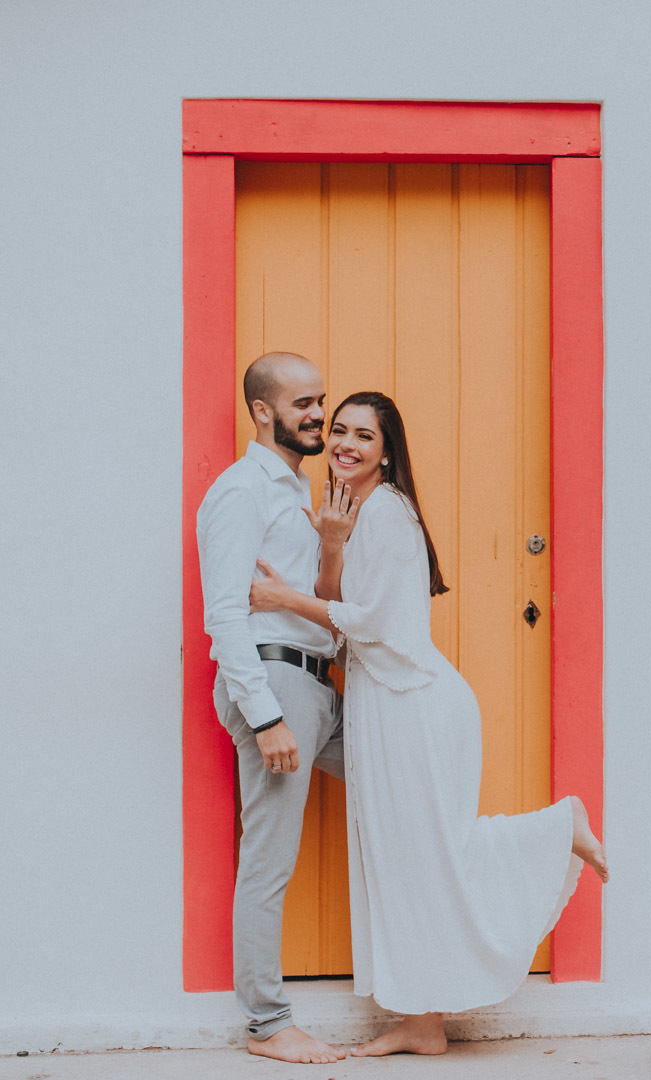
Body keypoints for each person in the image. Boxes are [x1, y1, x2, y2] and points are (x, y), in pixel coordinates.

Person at [249, 390, 610, 1057]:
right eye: (339, 431)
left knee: (433, 854)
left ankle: (560, 827)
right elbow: (341, 604)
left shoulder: (386, 513)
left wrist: (277, 598)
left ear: (388, 453)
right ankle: (424, 1022)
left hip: (413, 704)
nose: (346, 445)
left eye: (364, 436)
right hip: (387, 705)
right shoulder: (355, 514)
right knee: (408, 861)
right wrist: (330, 544)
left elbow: (371, 623)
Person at [196, 352, 358, 1065]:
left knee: (405, 785)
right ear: (263, 411)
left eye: (320, 401)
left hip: (318, 682)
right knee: (270, 859)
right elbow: (225, 614)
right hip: (275, 684)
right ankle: (267, 1023)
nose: (318, 415)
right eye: (304, 404)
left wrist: (329, 544)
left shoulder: (300, 488)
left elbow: (317, 599)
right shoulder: (240, 491)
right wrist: (264, 718)